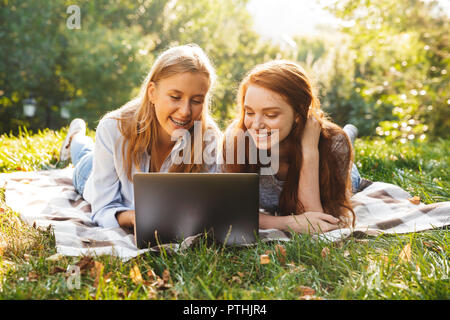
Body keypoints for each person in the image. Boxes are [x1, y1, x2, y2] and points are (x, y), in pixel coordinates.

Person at [59, 44, 221, 230]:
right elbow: (103, 209)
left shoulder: (208, 139)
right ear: (152, 92)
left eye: (196, 101)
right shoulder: (113, 128)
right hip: (88, 174)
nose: (185, 112)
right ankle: (76, 136)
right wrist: (133, 217)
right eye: (175, 97)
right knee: (83, 154)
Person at [221, 60, 361, 234]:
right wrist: (289, 223)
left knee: (346, 141)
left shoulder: (333, 145)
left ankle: (350, 132)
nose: (256, 125)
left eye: (270, 115)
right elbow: (231, 211)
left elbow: (316, 222)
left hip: (341, 170)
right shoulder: (236, 139)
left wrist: (309, 150)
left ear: (298, 111)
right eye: (249, 112)